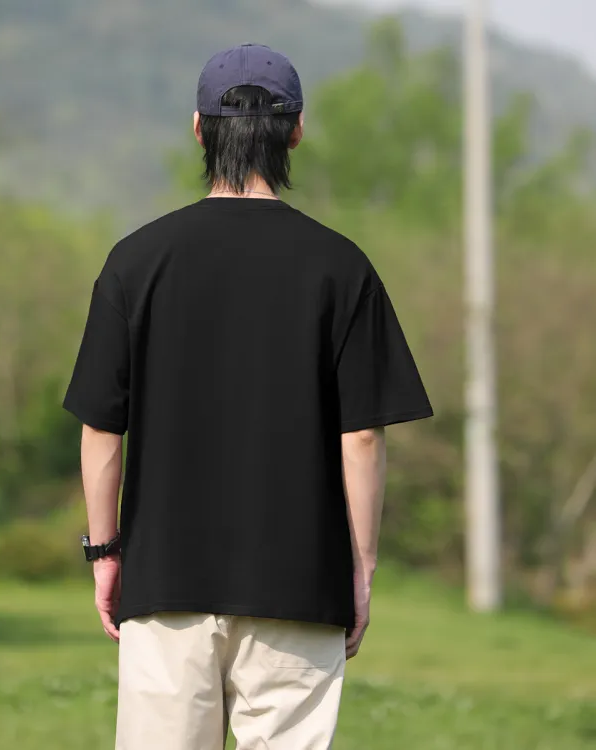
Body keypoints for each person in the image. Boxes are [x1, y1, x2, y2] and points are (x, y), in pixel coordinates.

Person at [63, 43, 433, 750]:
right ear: (296, 132)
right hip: (299, 587)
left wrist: (105, 552)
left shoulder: (135, 261)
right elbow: (361, 435)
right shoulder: (341, 266)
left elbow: (102, 429)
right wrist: (360, 568)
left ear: (198, 130)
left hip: (165, 586)